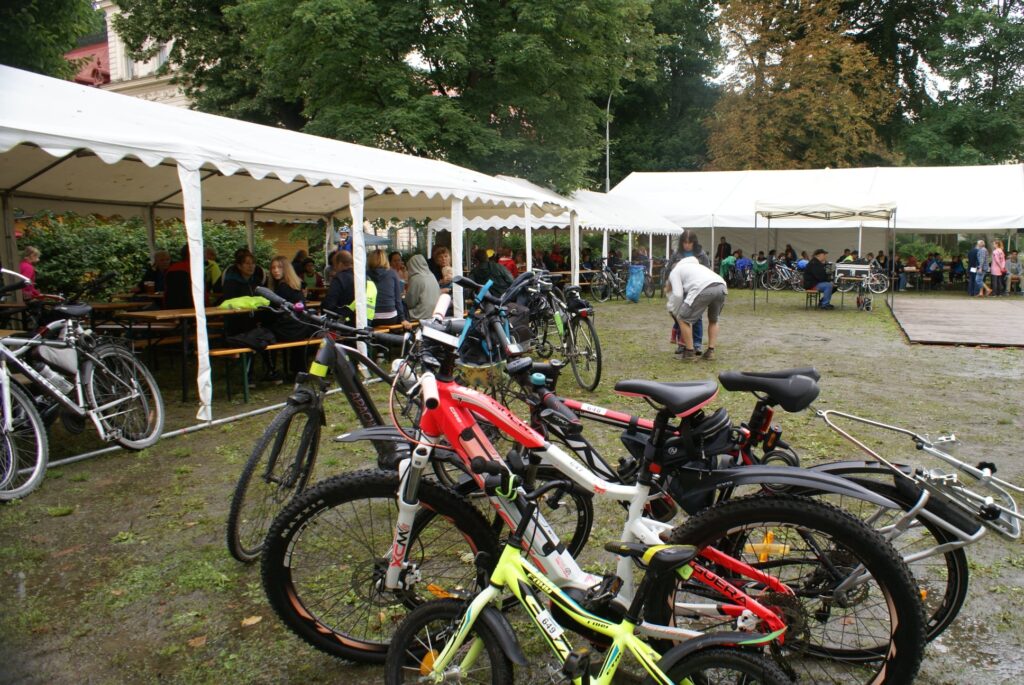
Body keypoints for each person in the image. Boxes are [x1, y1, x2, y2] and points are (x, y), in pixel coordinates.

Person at [666, 253, 728, 362]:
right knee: (714, 320)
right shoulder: (697, 266)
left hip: (703, 288)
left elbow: (678, 295)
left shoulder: (675, 271)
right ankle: (710, 352)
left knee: (682, 318)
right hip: (721, 286)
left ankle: (689, 353)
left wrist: (673, 309)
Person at [264, 255, 309, 380]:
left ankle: (271, 371)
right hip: (302, 327)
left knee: (263, 334)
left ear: (286, 269)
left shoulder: (282, 287)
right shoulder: (296, 285)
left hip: (292, 330)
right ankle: (298, 371)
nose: (275, 270)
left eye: (279, 267)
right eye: (273, 268)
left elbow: (273, 312)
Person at [668, 230, 711, 356]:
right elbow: (669, 268)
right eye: (685, 242)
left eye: (689, 242)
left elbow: (707, 270)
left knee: (697, 317)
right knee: (680, 316)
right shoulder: (677, 253)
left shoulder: (701, 254)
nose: (687, 245)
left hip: (696, 288)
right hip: (680, 288)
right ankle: (682, 344)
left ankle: (697, 344)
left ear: (694, 242)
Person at [367, 249, 409, 328]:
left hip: (371, 317)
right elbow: (398, 299)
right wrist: (402, 319)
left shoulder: (365, 274)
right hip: (390, 317)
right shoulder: (392, 273)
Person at [404, 254, 441, 320]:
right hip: (434, 312)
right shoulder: (432, 276)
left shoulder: (416, 278)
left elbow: (410, 303)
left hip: (420, 313)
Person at [163, 245, 194, 309]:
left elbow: (166, 290)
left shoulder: (172, 268)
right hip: (192, 308)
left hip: (170, 307)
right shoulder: (194, 268)